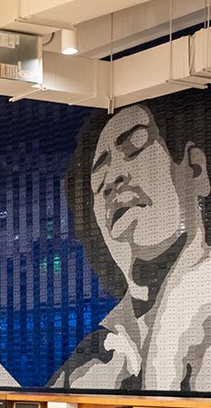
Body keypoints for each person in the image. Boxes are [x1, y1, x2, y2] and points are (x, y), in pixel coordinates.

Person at [51, 93, 211, 390]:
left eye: (135, 147)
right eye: (98, 180)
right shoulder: (90, 360)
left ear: (194, 170)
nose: (112, 178)